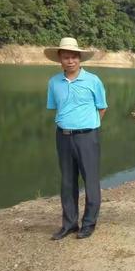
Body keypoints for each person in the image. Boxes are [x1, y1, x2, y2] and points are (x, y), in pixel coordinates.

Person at [45, 37, 108, 240]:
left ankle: (88, 224)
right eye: (66, 57)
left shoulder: (93, 81)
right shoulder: (54, 82)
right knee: (67, 182)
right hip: (63, 136)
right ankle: (69, 224)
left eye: (73, 57)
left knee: (90, 181)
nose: (70, 61)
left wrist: (89, 126)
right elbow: (56, 106)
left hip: (87, 136)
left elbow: (102, 107)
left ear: (79, 59)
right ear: (60, 60)